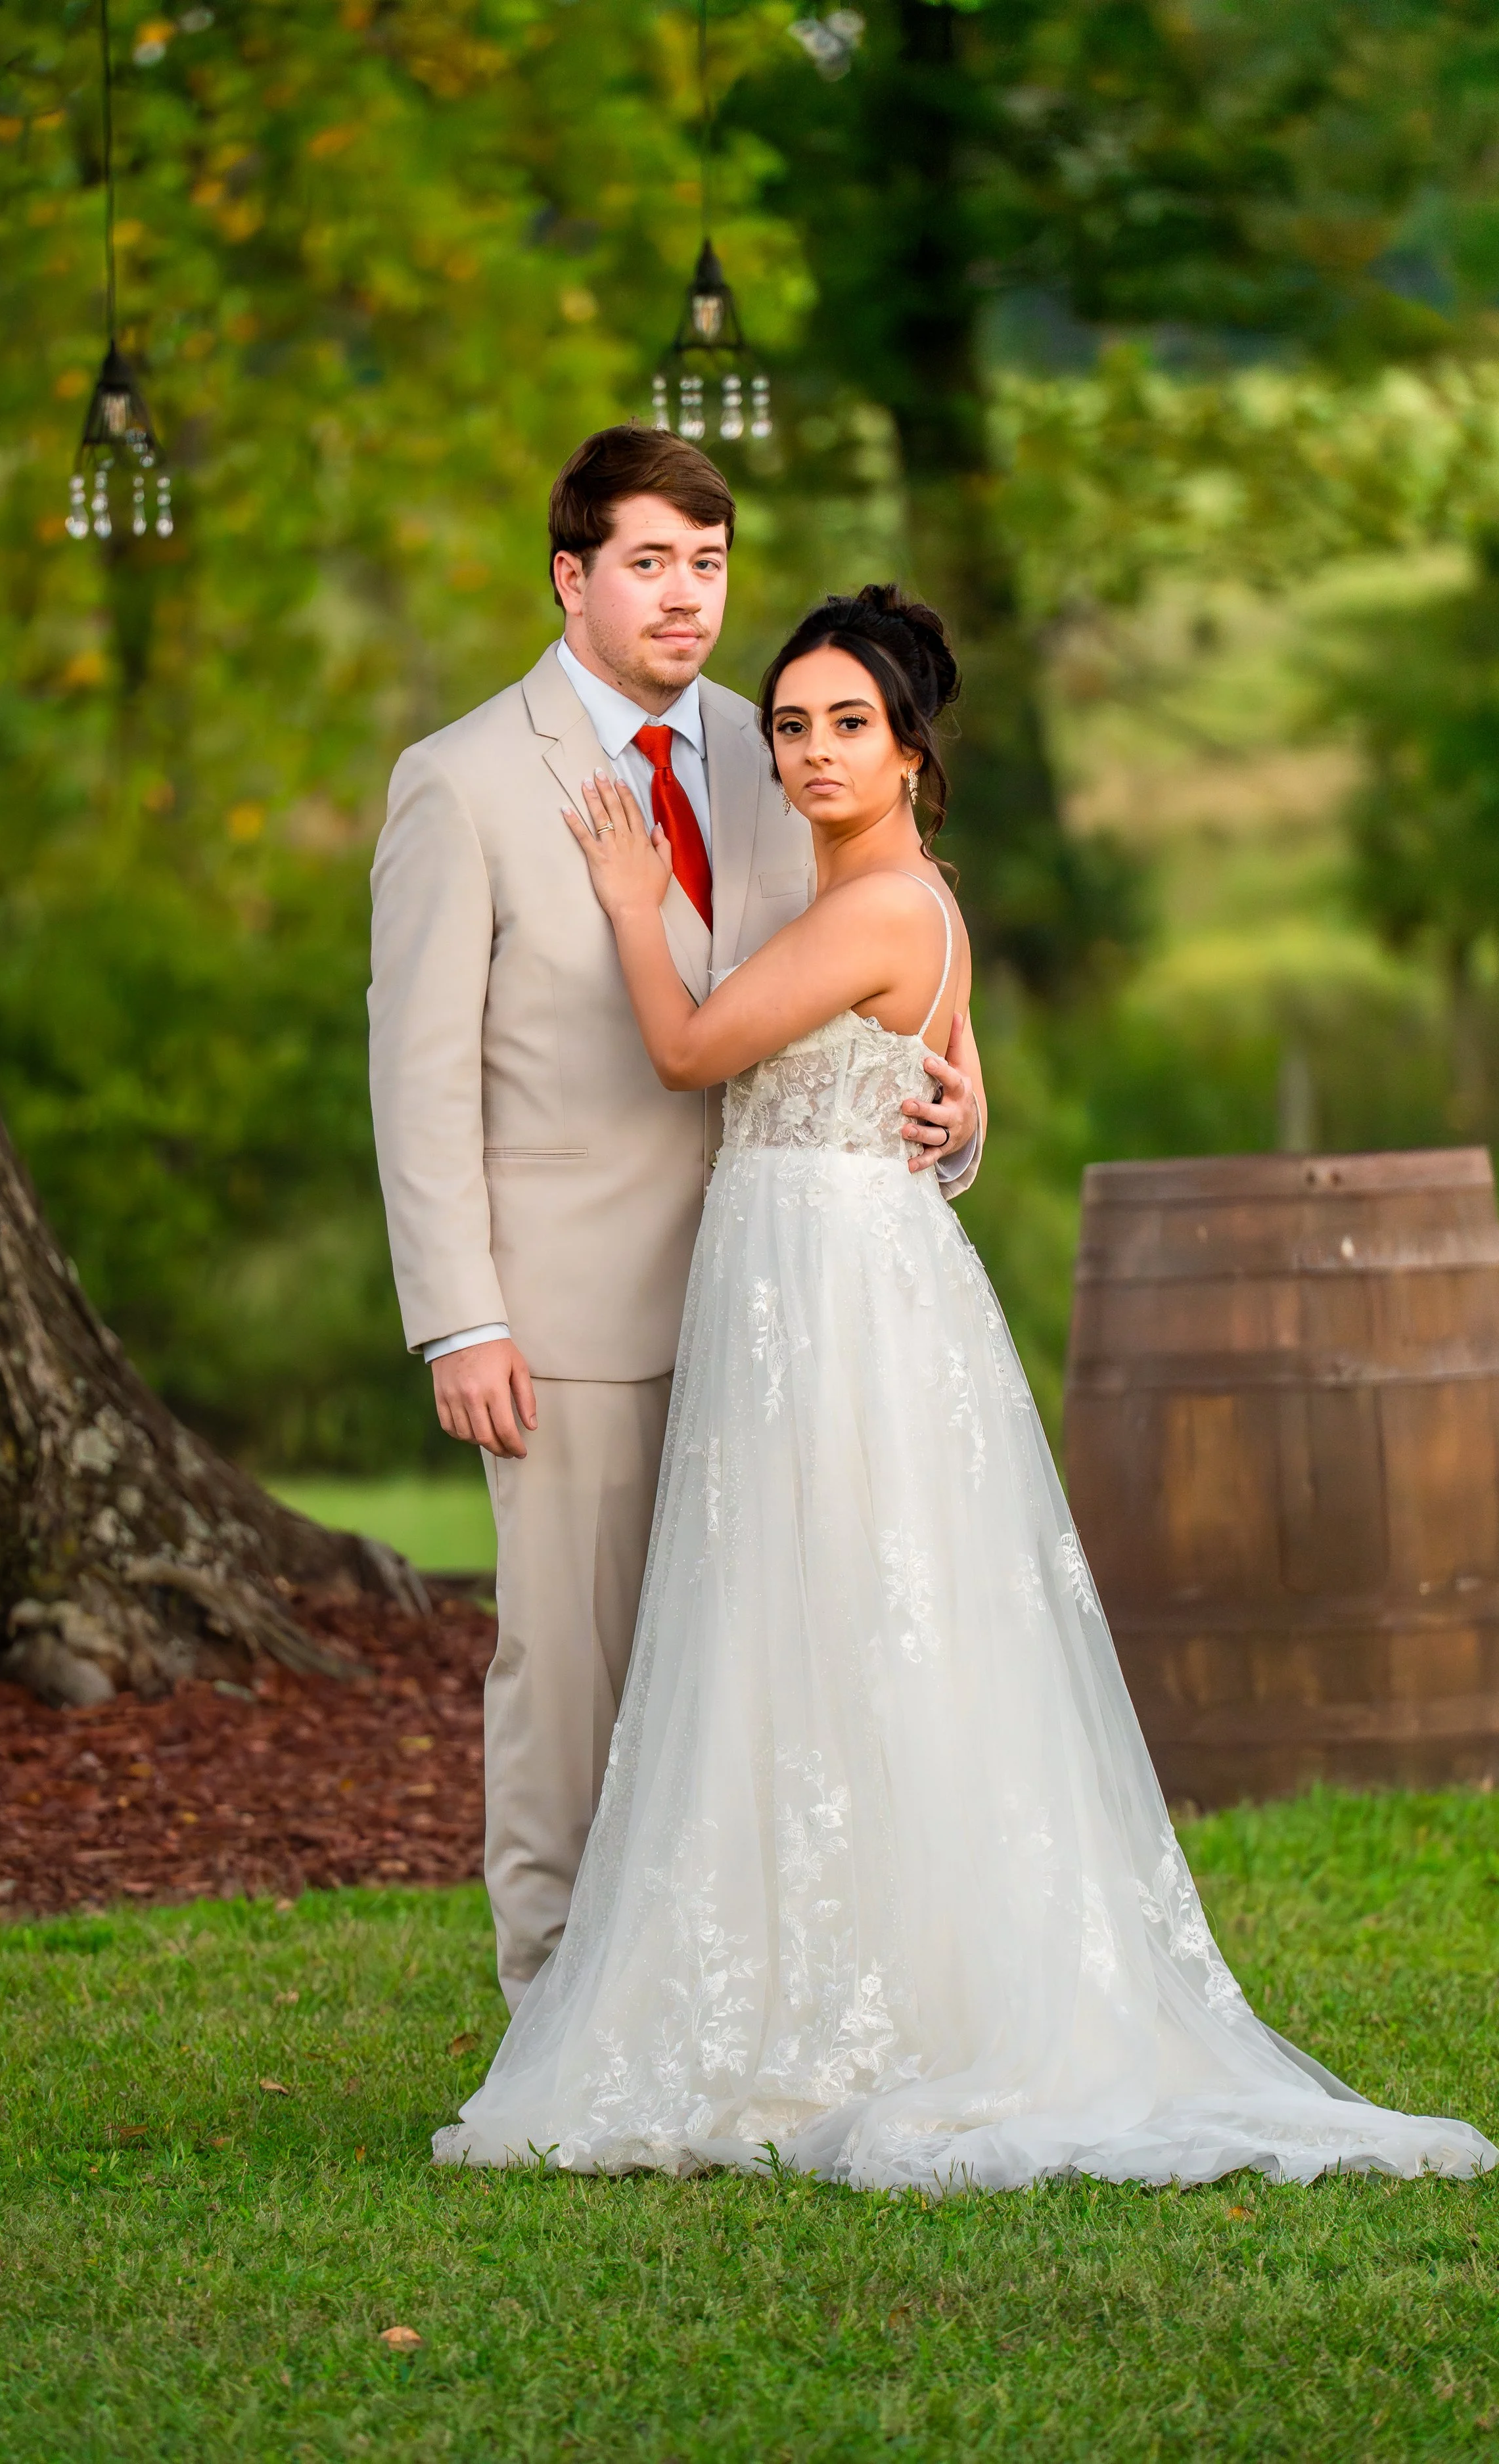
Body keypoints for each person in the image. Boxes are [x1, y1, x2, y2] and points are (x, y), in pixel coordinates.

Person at [436, 584, 1499, 2193]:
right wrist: (963, 1112)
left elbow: (686, 1050)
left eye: (844, 724)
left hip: (837, 1296)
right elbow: (950, 1067)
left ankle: (877, 2000)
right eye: (787, 724)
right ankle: (839, 1963)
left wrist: (630, 894)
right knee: (820, 1629)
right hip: (809, 1271)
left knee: (842, 1611)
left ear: (913, 749)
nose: (806, 752)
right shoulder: (888, 897)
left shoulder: (879, 905)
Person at [369, 432, 982, 2014]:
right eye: (649, 562)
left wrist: (955, 1117)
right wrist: (460, 1315)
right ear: (570, 578)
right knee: (566, 1682)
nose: (686, 596)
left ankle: (720, 2006)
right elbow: (417, 1074)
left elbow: (867, 984)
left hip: (776, 1306)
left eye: (708, 563)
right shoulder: (461, 780)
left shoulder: (777, 743)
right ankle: (554, 2015)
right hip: (561, 1319)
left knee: (746, 1685)